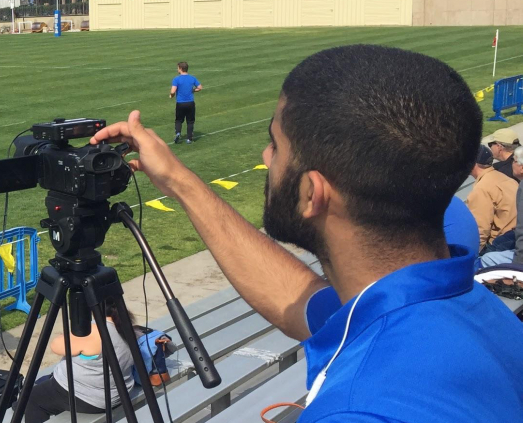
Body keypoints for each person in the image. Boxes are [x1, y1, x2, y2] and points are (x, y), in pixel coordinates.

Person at [88, 45, 523, 422]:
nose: (266, 157)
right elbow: (303, 303)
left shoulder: (358, 410)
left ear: (312, 193)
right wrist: (180, 182)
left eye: (275, 145)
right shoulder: (467, 306)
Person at [18, 299, 135, 423]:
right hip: (118, 391)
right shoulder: (124, 324)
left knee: (30, 399)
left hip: (88, 397)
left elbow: (56, 345)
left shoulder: (95, 331)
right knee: (41, 389)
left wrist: (78, 326)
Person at [467, 145, 518, 252]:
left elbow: (480, 231)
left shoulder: (481, 189)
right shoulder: (505, 178)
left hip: (499, 246)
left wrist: (474, 254)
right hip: (515, 238)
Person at [480, 147, 523, 269]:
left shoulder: (482, 187)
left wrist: (518, 266)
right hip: (511, 235)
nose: (511, 163)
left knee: (486, 259)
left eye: (514, 161)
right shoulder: (510, 180)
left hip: (519, 256)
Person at [170, 61, 201, 144]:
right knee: (190, 121)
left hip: (180, 103)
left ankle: (178, 133)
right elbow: (200, 87)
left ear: (180, 69)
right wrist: (193, 90)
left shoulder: (176, 79)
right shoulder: (192, 78)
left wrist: (171, 95)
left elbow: (172, 91)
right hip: (190, 103)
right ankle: (189, 139)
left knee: (178, 120)